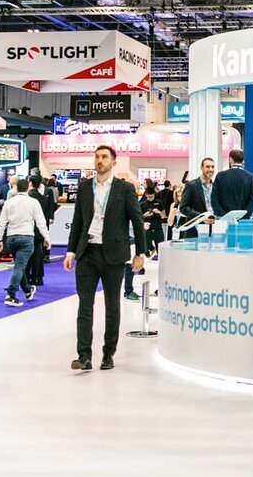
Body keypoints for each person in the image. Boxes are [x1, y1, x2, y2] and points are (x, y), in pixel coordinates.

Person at [64, 144, 147, 372]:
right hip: (87, 253)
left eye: (104, 157)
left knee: (112, 307)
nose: (99, 161)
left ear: (113, 161)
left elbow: (137, 222)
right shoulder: (84, 188)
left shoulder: (124, 189)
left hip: (114, 255)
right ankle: (84, 355)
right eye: (97, 157)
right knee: (84, 306)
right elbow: (78, 222)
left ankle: (108, 354)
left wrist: (140, 252)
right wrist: (71, 251)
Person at [0, 177, 45, 307]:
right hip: (26, 237)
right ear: (28, 187)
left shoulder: (9, 202)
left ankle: (27, 291)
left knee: (19, 265)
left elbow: (2, 222)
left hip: (11, 238)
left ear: (16, 188)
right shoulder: (33, 202)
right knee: (19, 266)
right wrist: (47, 238)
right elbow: (40, 222)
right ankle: (11, 295)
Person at [27, 172, 55, 289]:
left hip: (27, 230)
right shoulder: (43, 198)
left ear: (30, 183)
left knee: (27, 255)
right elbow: (47, 214)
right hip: (40, 230)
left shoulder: (28, 198)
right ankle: (37, 277)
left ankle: (26, 277)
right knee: (38, 254)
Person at [178, 157, 216, 238]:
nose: (211, 169)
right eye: (208, 166)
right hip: (195, 231)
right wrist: (201, 217)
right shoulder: (191, 185)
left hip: (213, 229)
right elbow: (183, 207)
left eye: (212, 167)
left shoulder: (216, 186)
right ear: (201, 168)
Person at [212, 149, 253, 217]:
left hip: (223, 221)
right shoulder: (251, 177)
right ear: (242, 160)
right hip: (243, 221)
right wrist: (244, 217)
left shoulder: (220, 176)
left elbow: (214, 200)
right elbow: (251, 201)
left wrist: (224, 216)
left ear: (230, 159)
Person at [141, 180, 165, 254]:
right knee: (146, 249)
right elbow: (138, 217)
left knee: (161, 249)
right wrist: (145, 215)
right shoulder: (142, 204)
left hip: (158, 228)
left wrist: (158, 212)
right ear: (146, 195)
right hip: (147, 229)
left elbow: (163, 216)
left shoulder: (159, 202)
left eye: (152, 196)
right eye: (148, 197)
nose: (150, 198)